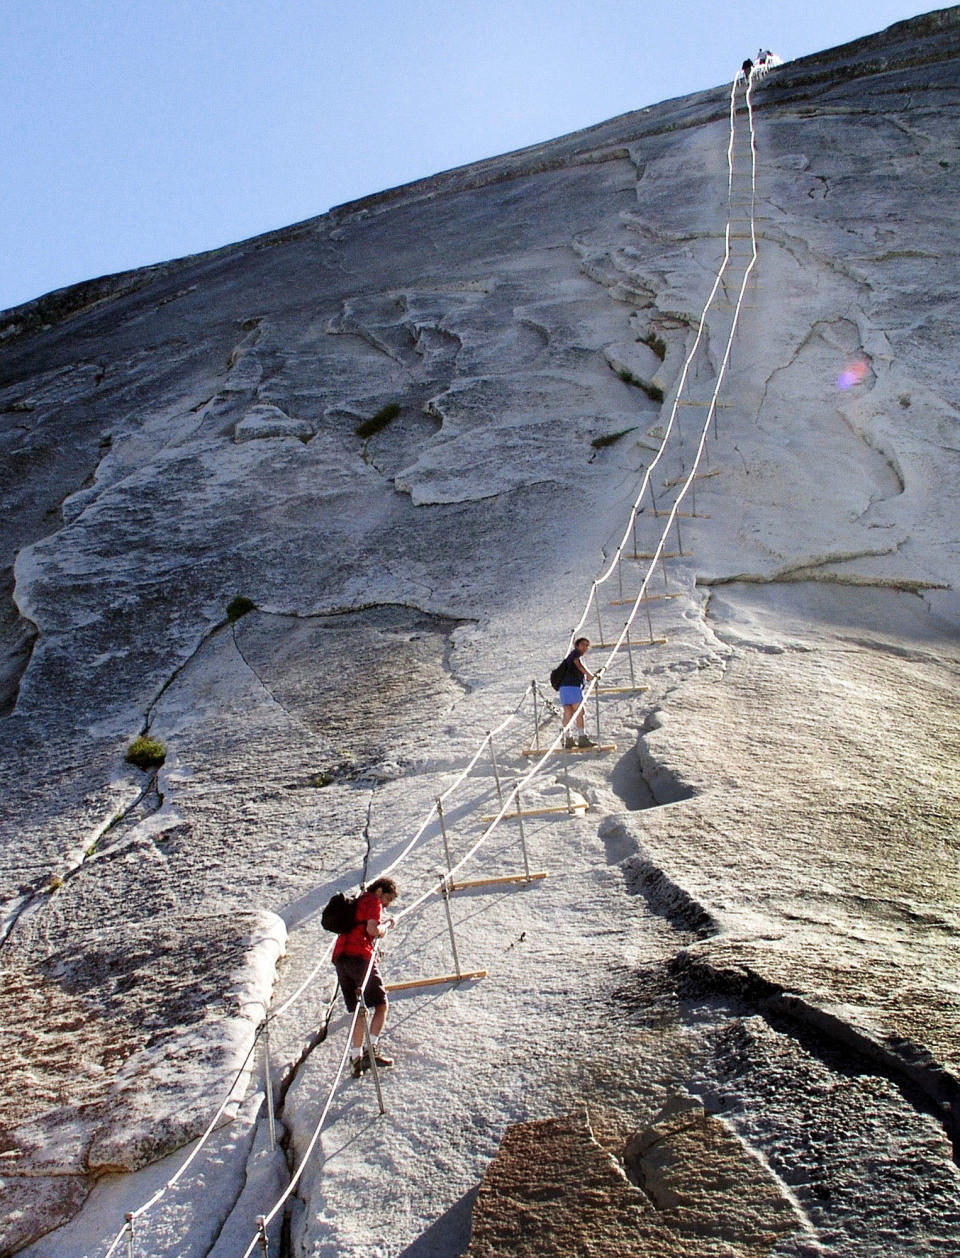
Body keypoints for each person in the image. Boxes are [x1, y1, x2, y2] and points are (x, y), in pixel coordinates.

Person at [332, 876, 399, 1077]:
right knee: (381, 1004)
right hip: (359, 955)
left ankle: (355, 1058)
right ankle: (372, 1050)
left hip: (341, 957)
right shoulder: (372, 901)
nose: (386, 904)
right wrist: (387, 926)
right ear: (380, 891)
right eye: (387, 898)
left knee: (359, 1010)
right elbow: (372, 929)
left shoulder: (358, 899)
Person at [558, 637, 596, 749]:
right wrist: (589, 674)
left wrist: (587, 676)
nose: (585, 647)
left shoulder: (571, 656)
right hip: (573, 687)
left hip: (564, 687)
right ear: (577, 645)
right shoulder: (575, 655)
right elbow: (579, 664)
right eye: (583, 645)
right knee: (579, 711)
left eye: (587, 645)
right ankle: (582, 737)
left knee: (568, 712)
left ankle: (568, 738)